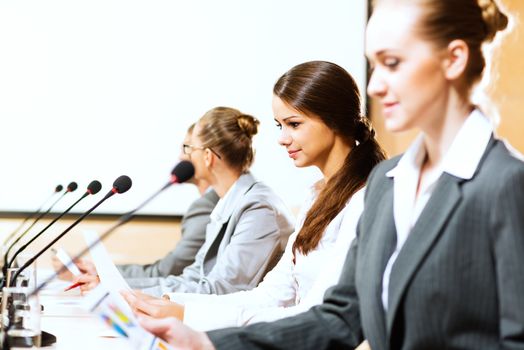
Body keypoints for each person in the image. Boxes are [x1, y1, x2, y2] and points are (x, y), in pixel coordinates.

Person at [139, 0, 524, 349]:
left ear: (454, 59)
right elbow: (340, 317)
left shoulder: (506, 183)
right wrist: (211, 342)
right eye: (373, 65)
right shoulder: (388, 181)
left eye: (392, 63)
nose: (374, 85)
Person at [122, 61, 386, 330]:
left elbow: (314, 313)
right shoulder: (316, 195)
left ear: (334, 119)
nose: (282, 139)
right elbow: (272, 295)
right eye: (279, 125)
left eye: (293, 124)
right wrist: (172, 302)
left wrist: (186, 315)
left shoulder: (364, 200)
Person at [75, 106, 294, 297]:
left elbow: (223, 289)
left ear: (207, 156)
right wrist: (115, 286)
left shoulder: (258, 209)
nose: (184, 156)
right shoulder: (229, 203)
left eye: (189, 149)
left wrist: (125, 293)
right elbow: (193, 277)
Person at [53, 124, 219, 283]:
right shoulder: (211, 203)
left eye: (187, 148)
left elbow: (167, 271)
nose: (180, 157)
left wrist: (102, 274)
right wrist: (98, 271)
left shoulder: (207, 206)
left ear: (207, 156)